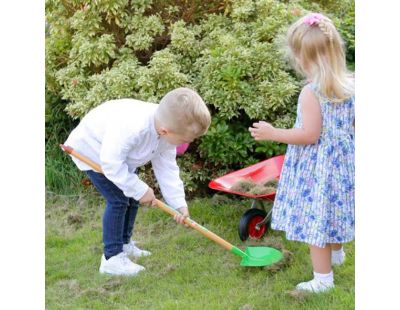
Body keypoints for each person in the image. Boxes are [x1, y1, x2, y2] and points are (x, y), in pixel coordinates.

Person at [249, 13, 354, 293]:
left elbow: (309, 135)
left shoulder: (311, 92)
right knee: (333, 211)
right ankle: (337, 254)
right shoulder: (351, 85)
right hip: (342, 166)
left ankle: (322, 280)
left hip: (317, 167)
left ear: (306, 59)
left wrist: (273, 133)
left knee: (316, 221)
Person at [64, 87, 211, 276]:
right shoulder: (133, 128)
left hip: (119, 158)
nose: (186, 145)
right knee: (118, 200)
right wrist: (139, 189)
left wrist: (179, 205)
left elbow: (167, 170)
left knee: (132, 196)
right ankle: (112, 258)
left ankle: (124, 244)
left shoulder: (166, 131)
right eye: (185, 140)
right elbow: (111, 164)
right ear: (166, 131)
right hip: (93, 153)